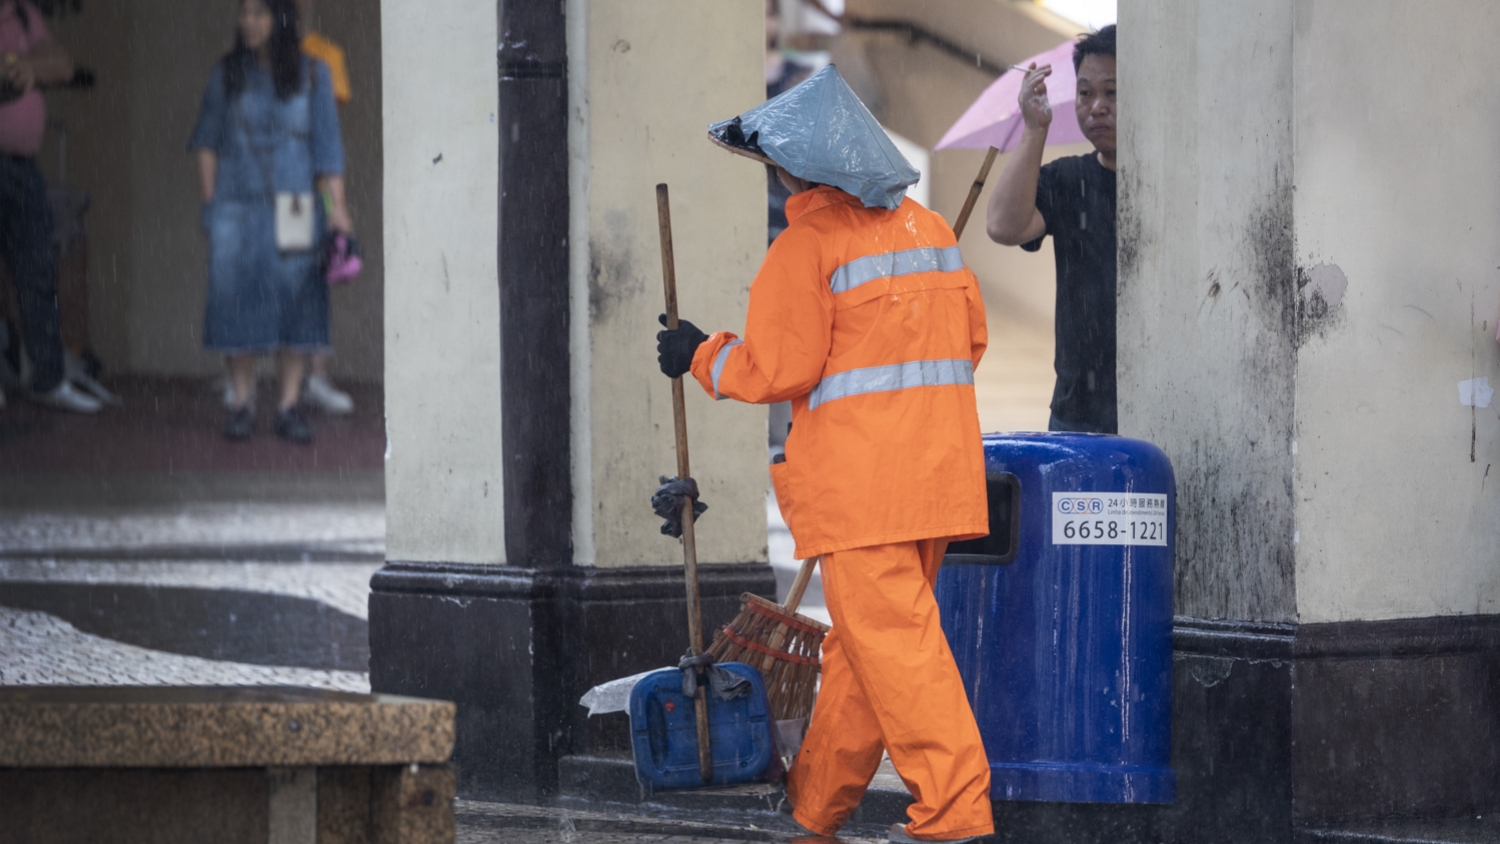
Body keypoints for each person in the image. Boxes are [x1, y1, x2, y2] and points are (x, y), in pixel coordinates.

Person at [657, 65, 993, 844]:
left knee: (898, 654)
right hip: (935, 482)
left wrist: (701, 352)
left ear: (796, 167)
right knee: (862, 656)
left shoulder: (803, 247)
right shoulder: (931, 232)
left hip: (862, 492)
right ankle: (815, 809)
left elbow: (778, 370)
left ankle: (956, 815)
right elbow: (969, 343)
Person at [188, 0, 351, 443]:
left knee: (296, 306)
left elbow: (328, 152)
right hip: (236, 207)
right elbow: (206, 141)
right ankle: (242, 403)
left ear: (279, 20)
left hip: (297, 205)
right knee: (235, 306)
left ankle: (289, 404)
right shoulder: (227, 73)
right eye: (243, 13)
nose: (248, 22)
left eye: (258, 13)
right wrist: (210, 200)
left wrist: (338, 209)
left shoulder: (314, 74)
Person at [985, 25, 1118, 434]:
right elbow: (1004, 226)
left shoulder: (1178, 183)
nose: (1096, 106)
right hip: (1079, 412)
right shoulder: (1069, 179)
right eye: (1085, 93)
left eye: (1112, 93)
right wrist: (1034, 129)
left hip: (1163, 400)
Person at [0, 0, 99, 413]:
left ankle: (48, 378)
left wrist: (29, 68)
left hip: (22, 166)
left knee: (38, 268)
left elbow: (62, 63)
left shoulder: (22, 13)